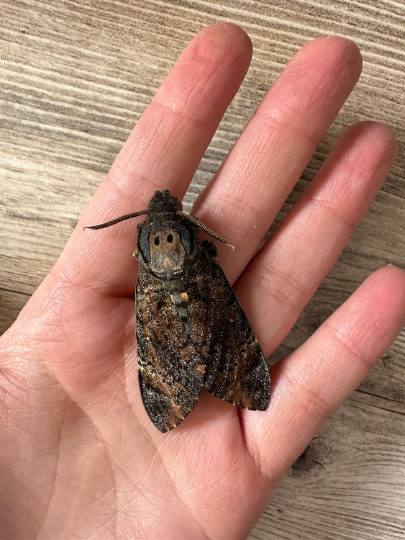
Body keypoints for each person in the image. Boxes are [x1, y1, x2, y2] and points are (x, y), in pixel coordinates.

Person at [1, 23, 404, 540]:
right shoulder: (193, 246)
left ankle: (203, 386)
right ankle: (231, 381)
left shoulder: (144, 260)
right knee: (231, 338)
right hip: (206, 291)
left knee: (174, 350)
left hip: (160, 310)